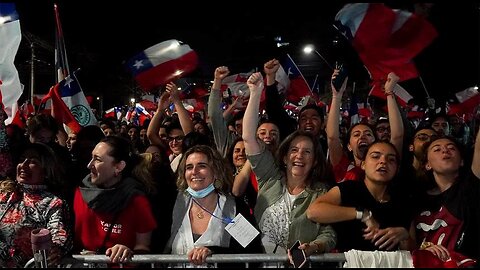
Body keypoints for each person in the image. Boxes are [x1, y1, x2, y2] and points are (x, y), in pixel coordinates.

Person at [244, 72, 336, 260]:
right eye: (294, 150)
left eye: (307, 152)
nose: (299, 156)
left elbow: (330, 234)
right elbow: (248, 138)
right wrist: (255, 93)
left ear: (315, 161)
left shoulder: (322, 193)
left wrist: (313, 247)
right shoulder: (269, 178)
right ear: (285, 157)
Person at [164, 145, 262, 267]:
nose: (194, 172)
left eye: (202, 166)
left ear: (216, 171)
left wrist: (214, 252)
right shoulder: (173, 205)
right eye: (189, 167)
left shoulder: (233, 208)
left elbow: (253, 250)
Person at [307, 141, 412, 251]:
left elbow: (412, 249)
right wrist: (361, 214)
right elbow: (313, 212)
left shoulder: (402, 201)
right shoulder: (348, 189)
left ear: (397, 169)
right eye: (375, 156)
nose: (383, 162)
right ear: (363, 164)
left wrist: (405, 236)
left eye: (391, 159)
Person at [73, 136, 157, 263]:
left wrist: (128, 251)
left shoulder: (137, 200)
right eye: (92, 157)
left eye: (98, 159)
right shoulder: (80, 193)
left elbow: (143, 247)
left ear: (118, 167)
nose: (89, 165)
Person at [409, 131, 480, 267]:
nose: (445, 150)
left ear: (462, 161)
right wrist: (423, 250)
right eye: (437, 149)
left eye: (451, 148)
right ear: (427, 164)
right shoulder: (415, 198)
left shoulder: (470, 188)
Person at [0, 143, 72, 267]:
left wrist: (55, 250)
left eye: (33, 161)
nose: (23, 165)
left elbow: (59, 236)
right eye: (22, 160)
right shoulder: (4, 193)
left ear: (46, 170)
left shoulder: (53, 202)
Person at [327, 70, 404, 183]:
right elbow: (332, 137)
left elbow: (397, 136)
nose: (362, 136)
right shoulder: (343, 167)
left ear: (375, 141)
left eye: (368, 134)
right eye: (356, 134)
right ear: (348, 146)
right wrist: (336, 96)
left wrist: (389, 93)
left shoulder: (385, 165)